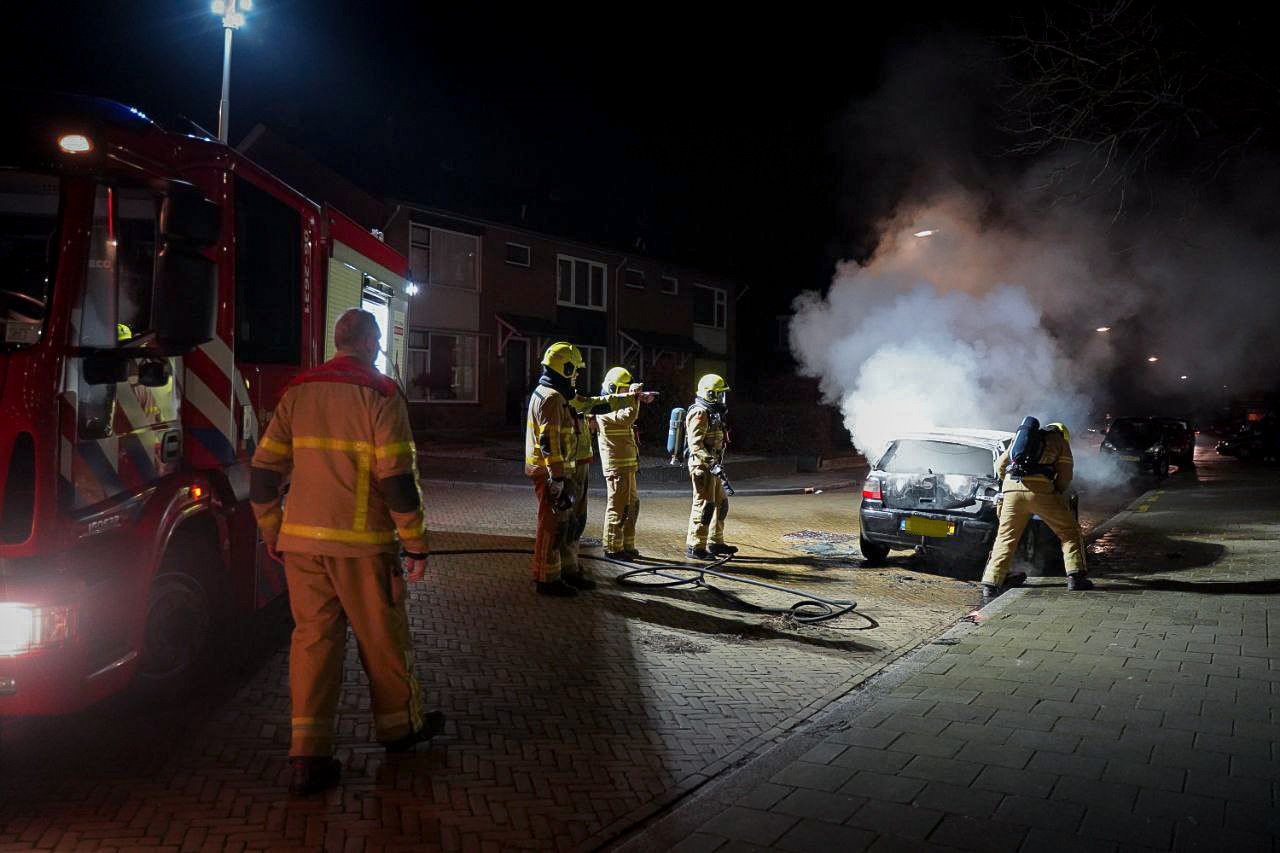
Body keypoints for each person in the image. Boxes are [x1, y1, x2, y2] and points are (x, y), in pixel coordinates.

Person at [250, 308, 443, 796]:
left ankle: (308, 756)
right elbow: (397, 480)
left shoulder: (297, 391)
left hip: (301, 546)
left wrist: (272, 529)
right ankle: (400, 729)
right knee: (383, 639)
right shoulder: (380, 393)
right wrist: (416, 543)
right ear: (372, 342)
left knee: (313, 642)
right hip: (362, 547)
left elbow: (264, 472)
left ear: (337, 343)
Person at [982, 419, 1092, 602]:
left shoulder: (1022, 441)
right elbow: (1065, 475)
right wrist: (1056, 491)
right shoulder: (1060, 442)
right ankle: (1076, 576)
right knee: (1069, 532)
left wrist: (1010, 484)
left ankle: (991, 583)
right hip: (1041, 492)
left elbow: (1000, 467)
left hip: (1011, 491)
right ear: (1062, 434)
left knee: (1005, 537)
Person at [525, 342, 591, 596]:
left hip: (559, 472)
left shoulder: (555, 393)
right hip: (551, 474)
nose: (577, 375)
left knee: (567, 524)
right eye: (575, 370)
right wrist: (558, 478)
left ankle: (565, 570)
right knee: (552, 526)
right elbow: (549, 443)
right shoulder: (551, 398)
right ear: (564, 368)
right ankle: (547, 578)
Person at [596, 366, 651, 558]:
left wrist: (637, 398)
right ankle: (612, 547)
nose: (626, 393)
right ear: (612, 388)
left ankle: (627, 545)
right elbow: (627, 418)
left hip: (627, 465)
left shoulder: (618, 404)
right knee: (618, 507)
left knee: (632, 505)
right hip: (616, 466)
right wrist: (634, 397)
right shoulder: (604, 406)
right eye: (623, 390)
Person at [685, 374, 737, 560]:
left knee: (721, 504)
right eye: (719, 395)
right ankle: (695, 546)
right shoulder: (700, 413)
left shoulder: (713, 411)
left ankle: (716, 542)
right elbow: (695, 445)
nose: (722, 399)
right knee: (704, 506)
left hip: (714, 466)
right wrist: (711, 462)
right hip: (703, 466)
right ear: (710, 394)